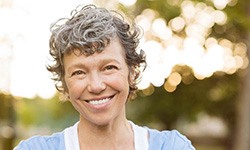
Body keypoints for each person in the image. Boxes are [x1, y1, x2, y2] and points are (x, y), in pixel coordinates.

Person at [15, 4, 195, 150]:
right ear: (65, 83)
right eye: (79, 72)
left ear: (132, 72)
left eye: (109, 67)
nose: (96, 85)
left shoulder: (172, 146)